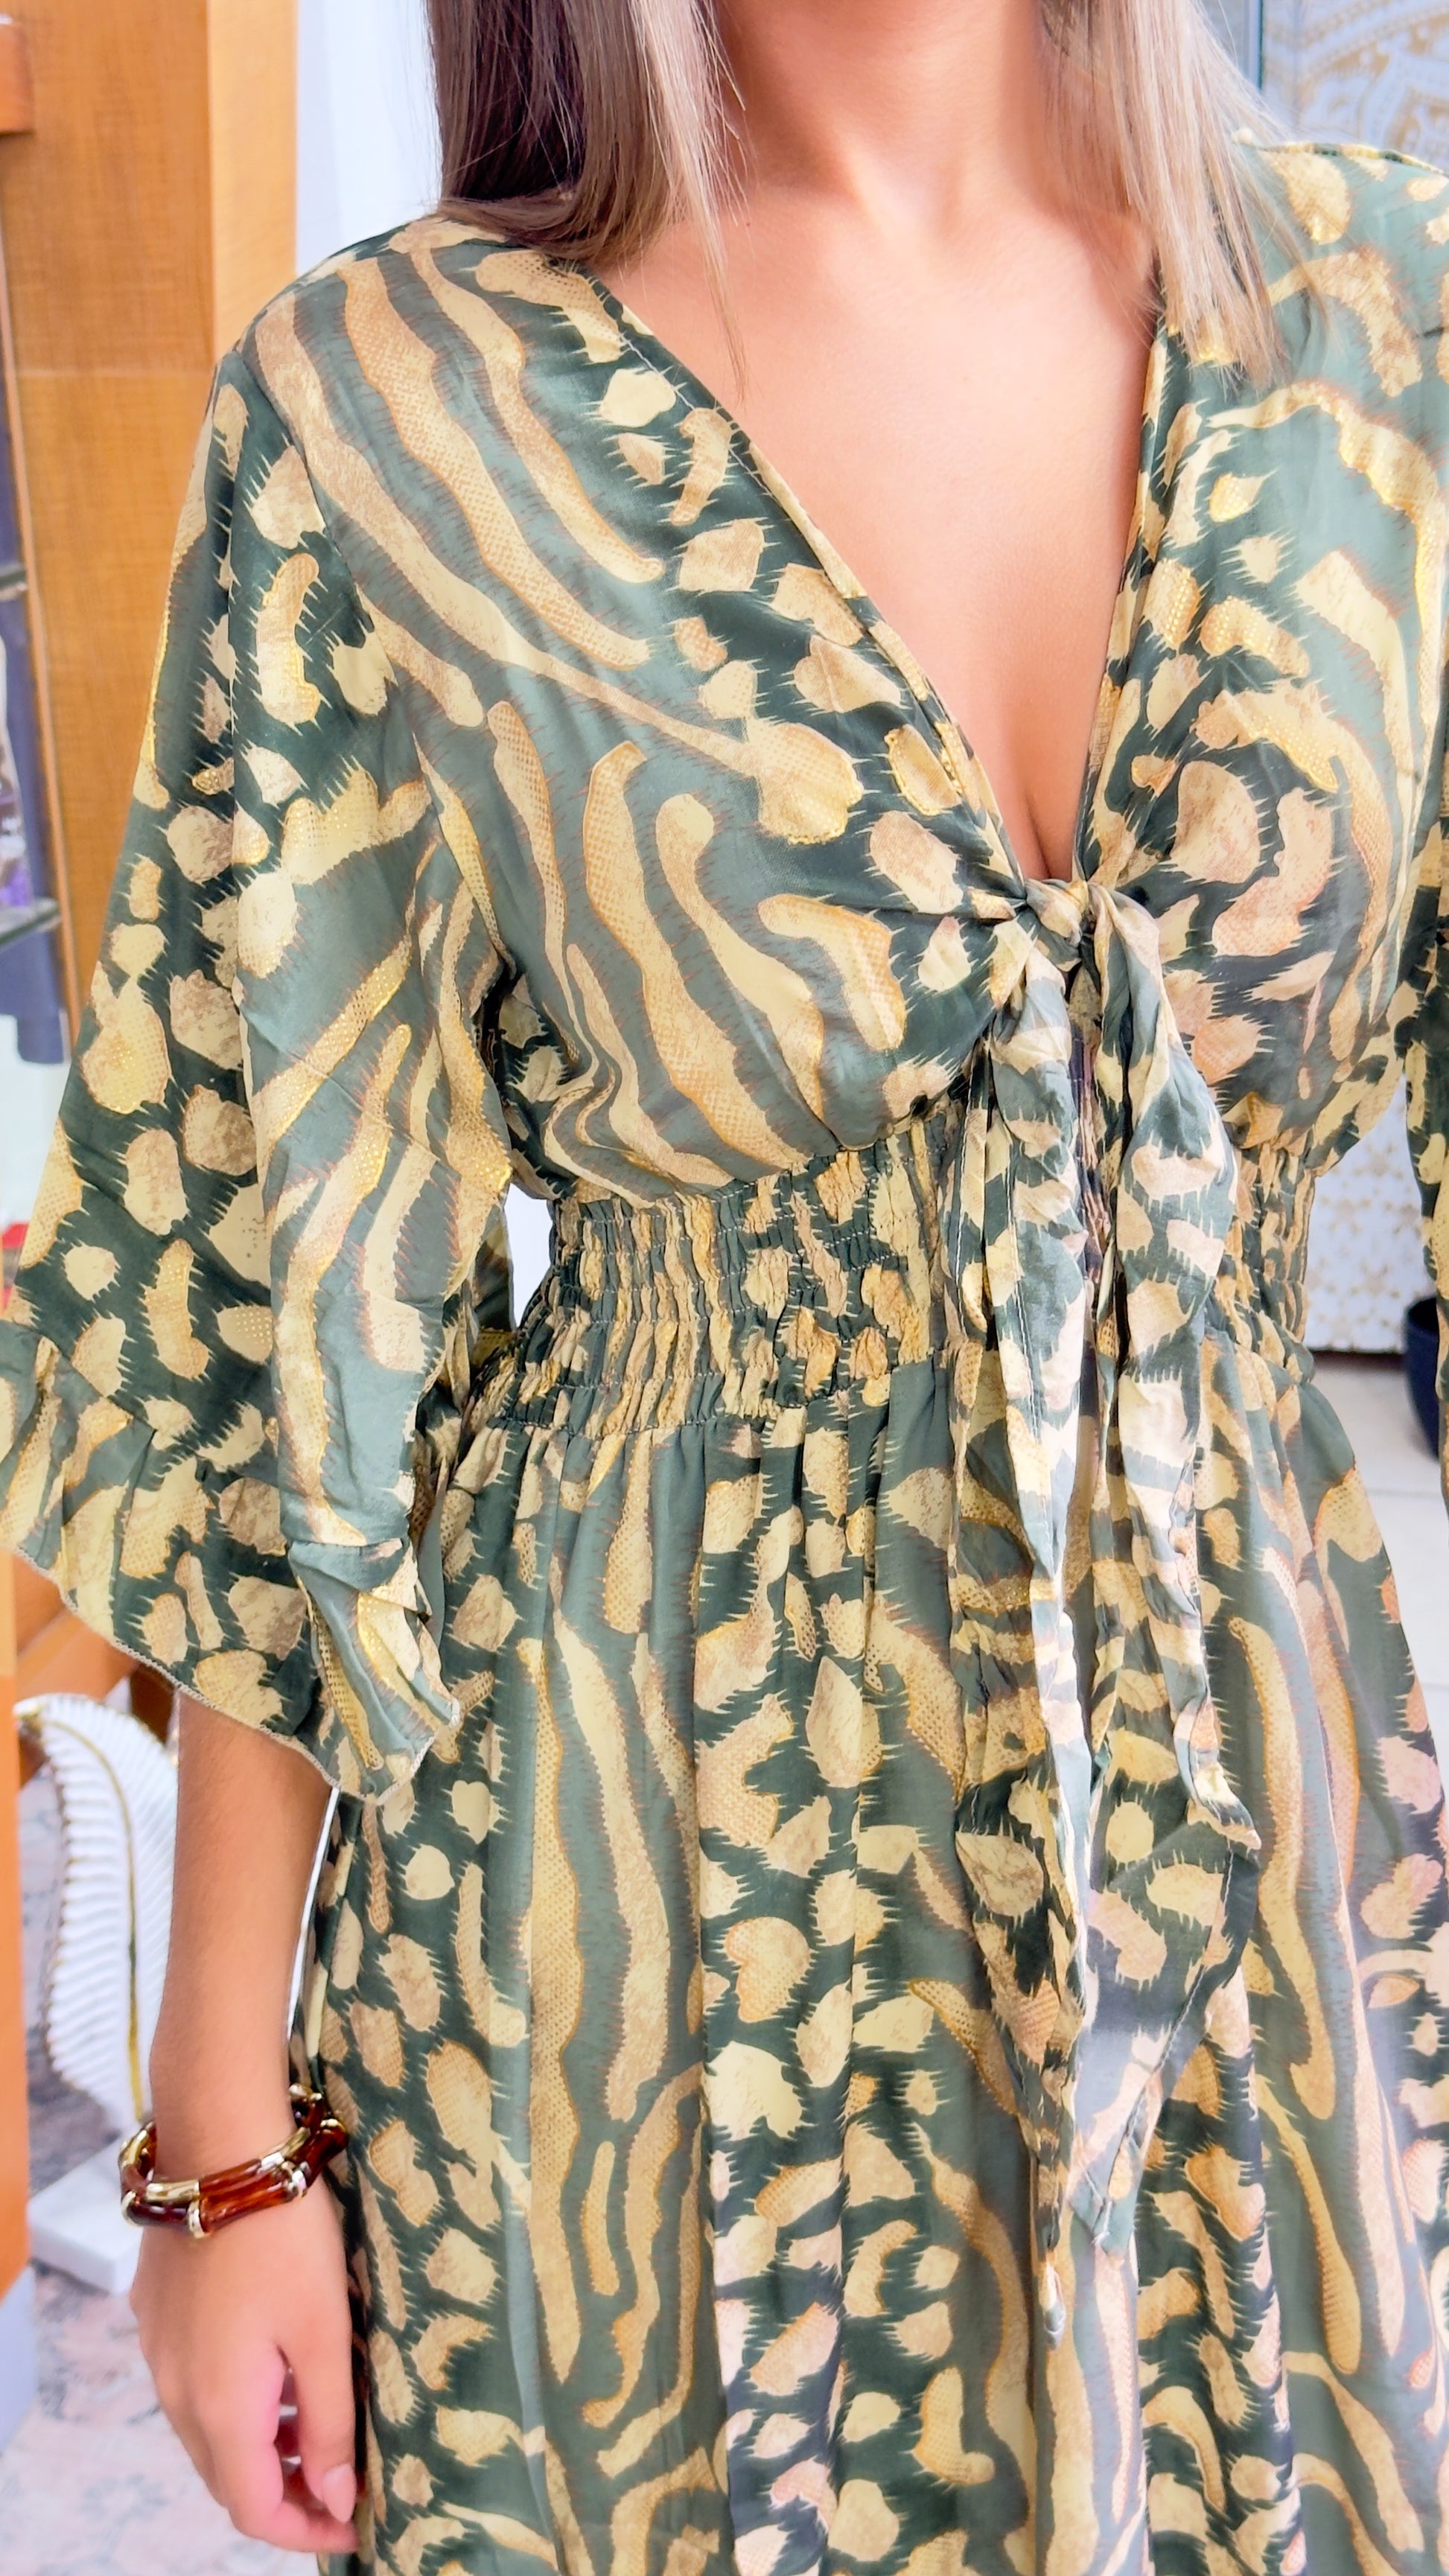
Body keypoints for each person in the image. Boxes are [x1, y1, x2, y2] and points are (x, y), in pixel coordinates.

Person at [2, 0, 1448, 2564]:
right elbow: (268, 1308)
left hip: (1257, 1843)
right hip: (626, 1902)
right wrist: (223, 2142)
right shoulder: (396, 406)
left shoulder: (1385, 327)